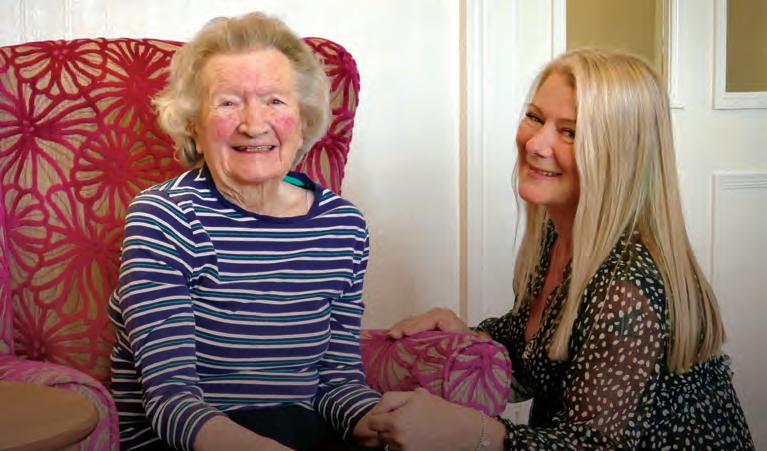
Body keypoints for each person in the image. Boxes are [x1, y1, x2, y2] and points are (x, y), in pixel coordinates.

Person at [371, 49, 755, 450]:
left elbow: (594, 445)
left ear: (617, 155)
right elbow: (538, 350)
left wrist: (473, 432)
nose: (536, 143)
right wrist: (470, 336)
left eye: (570, 132)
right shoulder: (559, 234)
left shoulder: (626, 289)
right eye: (535, 118)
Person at [108, 12, 383, 451]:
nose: (254, 124)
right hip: (188, 440)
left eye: (275, 101)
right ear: (193, 124)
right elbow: (170, 401)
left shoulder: (342, 227)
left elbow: (337, 383)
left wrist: (379, 420)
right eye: (228, 102)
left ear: (304, 118)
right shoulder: (164, 218)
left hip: (302, 430)